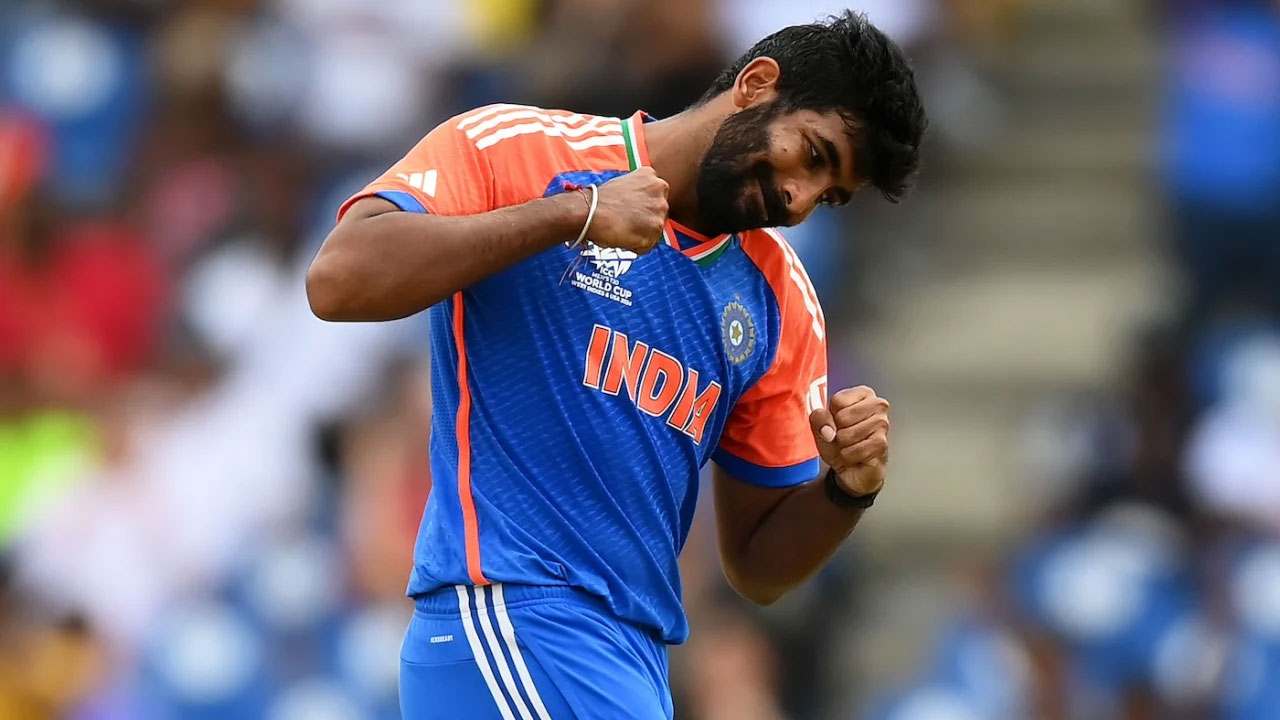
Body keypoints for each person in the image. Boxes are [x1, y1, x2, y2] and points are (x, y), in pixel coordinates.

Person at [307, 11, 925, 720]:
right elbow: (338, 279)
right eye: (813, 155)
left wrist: (845, 490)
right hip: (510, 618)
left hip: (634, 654)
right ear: (757, 84)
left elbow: (758, 567)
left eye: (830, 195)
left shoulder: (781, 300)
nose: (801, 199)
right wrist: (571, 214)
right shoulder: (521, 149)